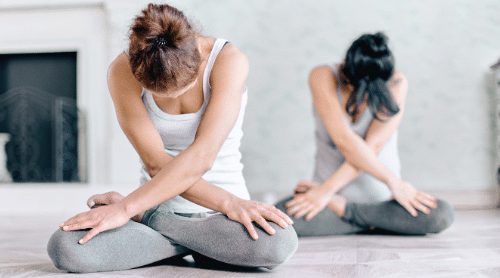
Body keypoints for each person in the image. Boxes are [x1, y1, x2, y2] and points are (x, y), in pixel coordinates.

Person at [47, 3, 297, 273]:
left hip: (223, 216)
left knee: (278, 243)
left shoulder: (228, 60)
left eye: (183, 88)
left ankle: (168, 237)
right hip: (154, 207)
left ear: (198, 59)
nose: (173, 99)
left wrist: (128, 208)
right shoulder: (121, 70)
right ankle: (198, 246)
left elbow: (202, 156)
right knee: (65, 247)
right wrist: (128, 210)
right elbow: (155, 162)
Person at [275, 32, 454, 237]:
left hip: (380, 202)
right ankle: (379, 224)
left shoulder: (397, 83)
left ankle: (351, 214)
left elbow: (372, 148)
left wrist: (394, 186)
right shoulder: (322, 75)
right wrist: (323, 193)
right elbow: (346, 143)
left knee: (442, 215)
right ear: (345, 67)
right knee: (276, 220)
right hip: (325, 200)